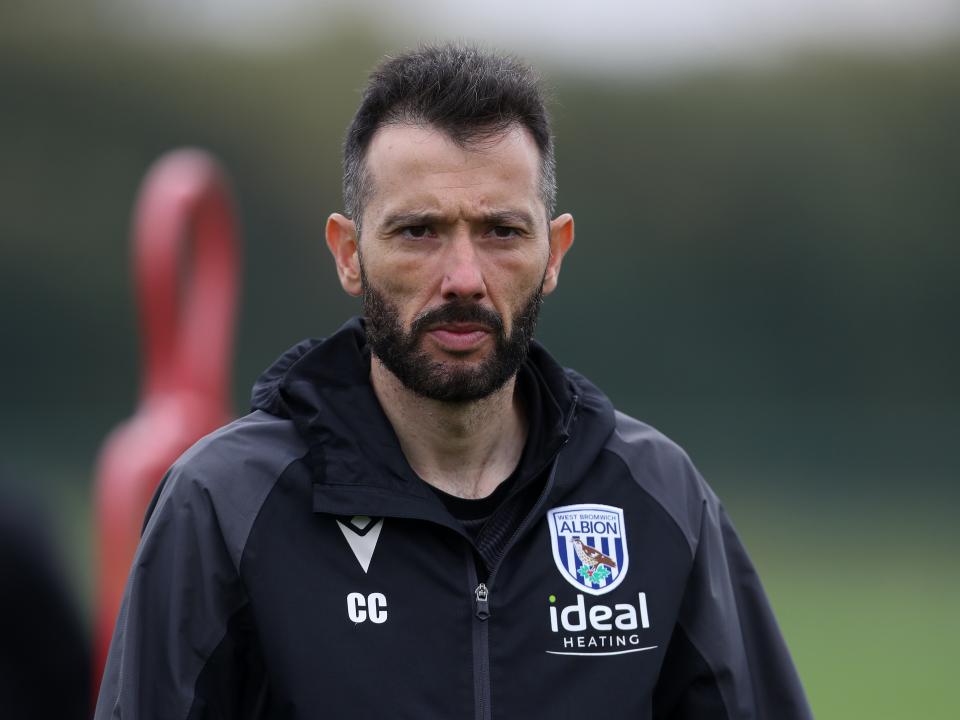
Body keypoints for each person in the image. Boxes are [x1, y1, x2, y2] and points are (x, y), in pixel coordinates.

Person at [95, 43, 812, 719]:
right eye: (419, 232)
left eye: (502, 232)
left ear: (554, 252)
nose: (464, 279)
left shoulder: (658, 498)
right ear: (349, 253)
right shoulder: (224, 505)